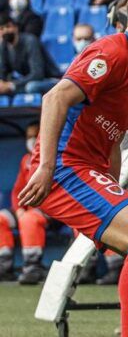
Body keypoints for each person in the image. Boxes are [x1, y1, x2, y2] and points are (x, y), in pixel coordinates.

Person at [17, 0, 128, 337]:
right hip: (65, 169)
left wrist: (116, 193)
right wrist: (47, 166)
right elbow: (54, 98)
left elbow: (113, 145)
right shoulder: (110, 52)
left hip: (87, 173)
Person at [0, 121, 54, 284]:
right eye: (28, 137)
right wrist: (18, 209)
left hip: (51, 211)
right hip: (27, 209)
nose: (31, 140)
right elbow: (18, 190)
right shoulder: (26, 160)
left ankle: (33, 267)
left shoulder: (53, 157)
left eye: (35, 136)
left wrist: (30, 210)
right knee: (1, 218)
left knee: (29, 219)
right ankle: (4, 267)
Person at [0, 12, 60, 95]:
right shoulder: (4, 46)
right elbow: (3, 72)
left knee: (31, 87)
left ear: (15, 27)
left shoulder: (30, 41)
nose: (5, 31)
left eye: (8, 27)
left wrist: (12, 85)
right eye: (1, 29)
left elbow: (37, 74)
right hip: (28, 81)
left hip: (49, 79)